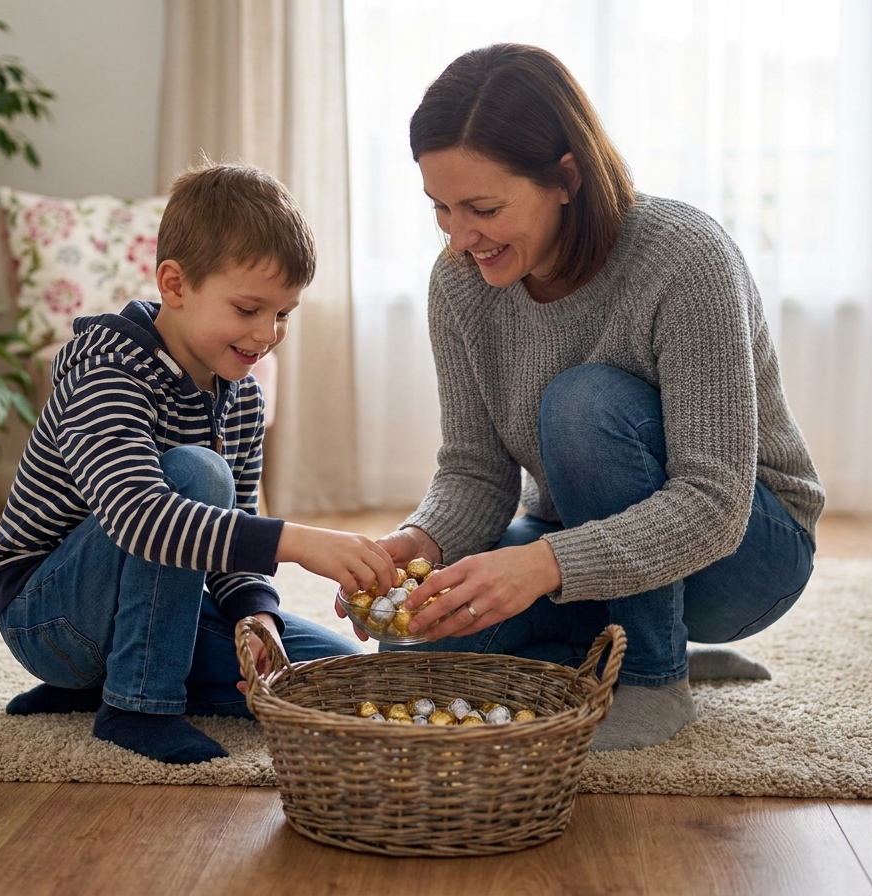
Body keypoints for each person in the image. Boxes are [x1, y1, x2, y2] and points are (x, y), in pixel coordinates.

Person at [350, 44, 824, 751]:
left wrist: (541, 566)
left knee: (584, 404)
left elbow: (715, 503)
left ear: (566, 177)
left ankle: (654, 678)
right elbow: (476, 472)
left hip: (746, 554)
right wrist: (413, 547)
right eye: (441, 208)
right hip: (587, 539)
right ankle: (620, 646)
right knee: (418, 647)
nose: (458, 237)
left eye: (482, 207)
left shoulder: (682, 257)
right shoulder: (458, 284)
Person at [0, 163, 397, 765]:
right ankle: (136, 705)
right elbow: (141, 520)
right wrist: (297, 542)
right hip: (47, 617)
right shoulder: (107, 370)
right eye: (249, 308)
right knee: (197, 474)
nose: (268, 333)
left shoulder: (242, 393)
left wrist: (257, 617)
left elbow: (231, 539)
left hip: (144, 608)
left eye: (283, 313)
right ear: (175, 285)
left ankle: (98, 685)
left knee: (334, 679)